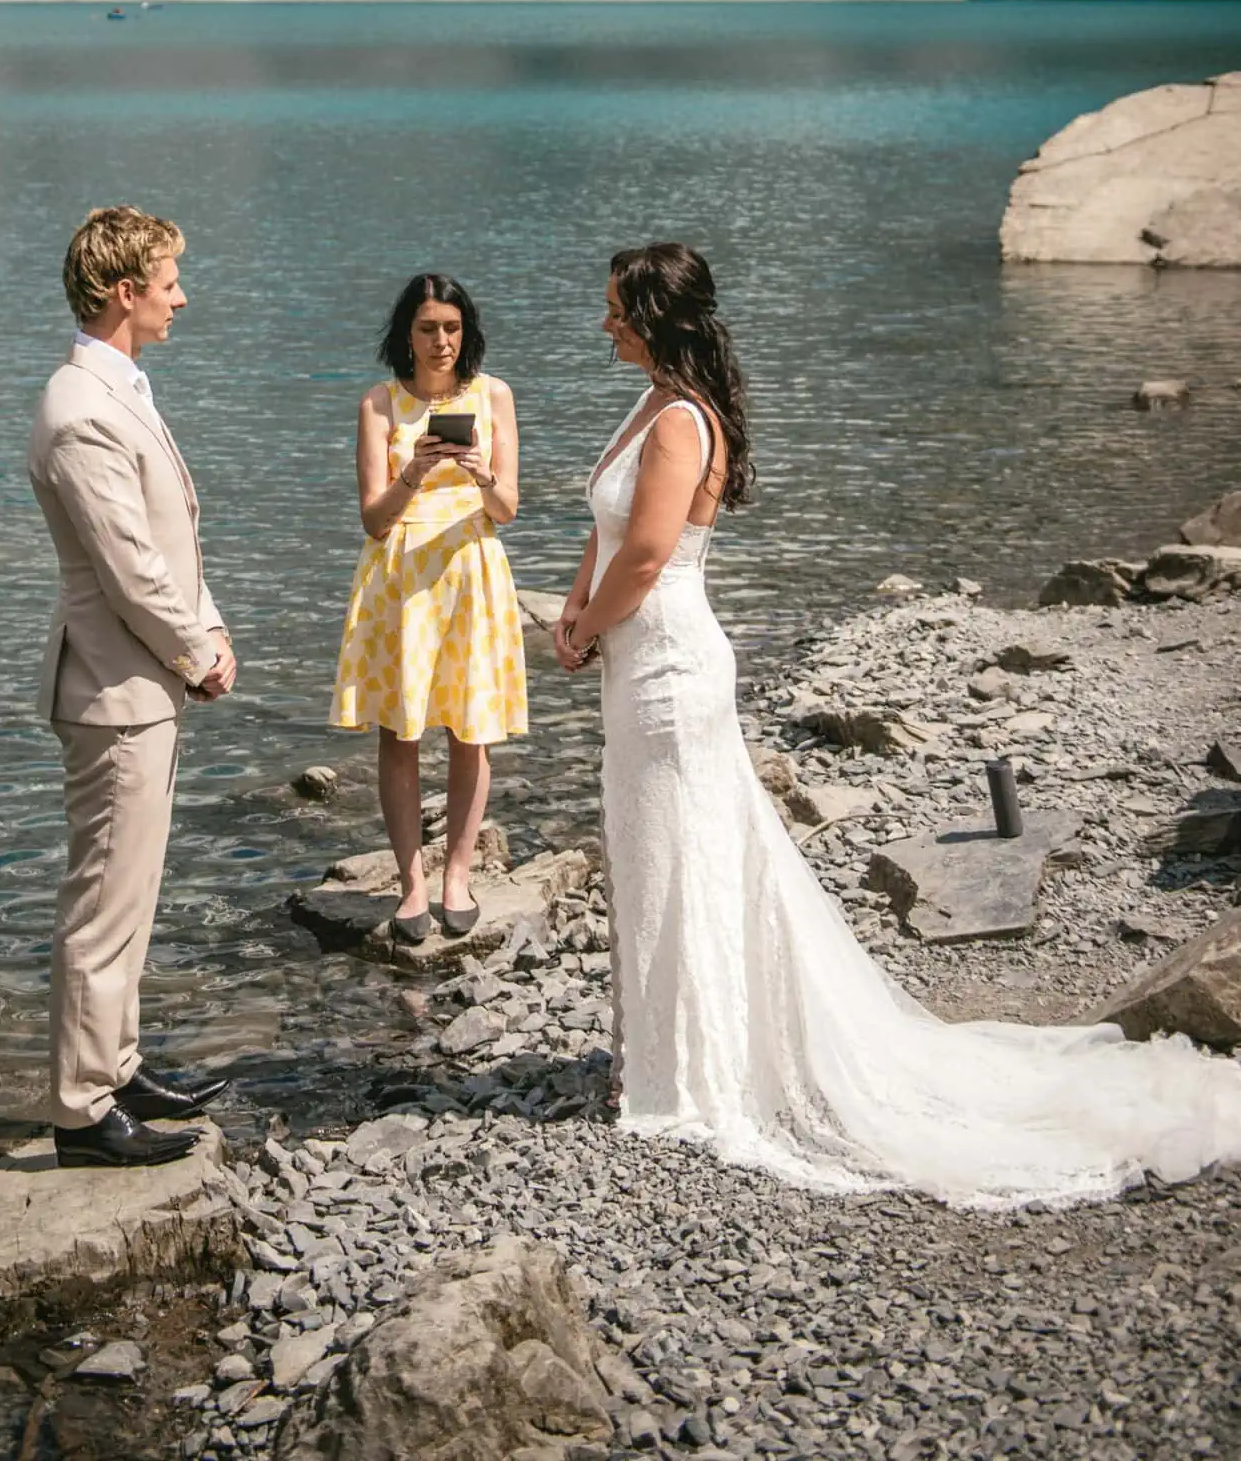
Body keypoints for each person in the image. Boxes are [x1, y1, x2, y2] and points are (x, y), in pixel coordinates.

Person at [554, 240, 1241, 1204]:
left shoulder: (680, 423)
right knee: (656, 849)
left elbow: (650, 556)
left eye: (617, 308)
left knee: (686, 853)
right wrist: (573, 617)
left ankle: (699, 1073)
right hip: (632, 658)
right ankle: (664, 1049)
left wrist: (586, 622)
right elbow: (607, 533)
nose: (604, 323)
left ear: (657, 318)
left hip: (668, 663)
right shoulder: (648, 407)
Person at [27, 205, 237, 1169]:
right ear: (123, 292)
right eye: (167, 282)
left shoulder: (119, 391)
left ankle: (116, 1065)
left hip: (138, 681)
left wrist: (209, 629)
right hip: (115, 689)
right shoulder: (78, 410)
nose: (181, 297)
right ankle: (79, 1108)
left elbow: (167, 538)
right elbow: (128, 568)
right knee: (104, 900)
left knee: (132, 890)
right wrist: (197, 651)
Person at [331, 272, 525, 942]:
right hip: (403, 576)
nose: (442, 341)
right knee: (402, 730)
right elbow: (374, 521)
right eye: (427, 328)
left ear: (465, 330)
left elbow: (506, 511)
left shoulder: (494, 394)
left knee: (472, 726)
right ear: (405, 335)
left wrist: (477, 469)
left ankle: (459, 875)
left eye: (451, 327)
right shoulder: (379, 406)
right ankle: (411, 883)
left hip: (470, 566)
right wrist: (413, 469)